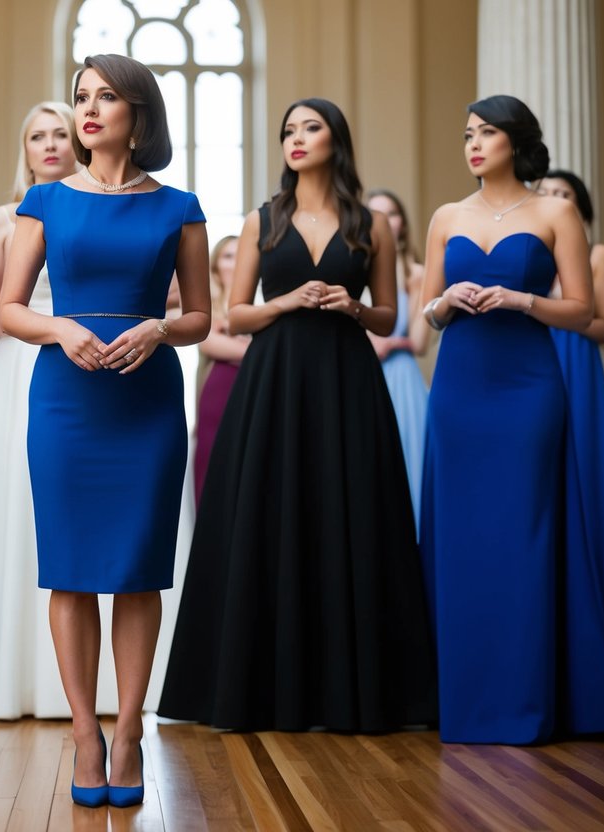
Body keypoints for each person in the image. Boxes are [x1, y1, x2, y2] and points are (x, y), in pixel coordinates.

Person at [158, 98, 436, 734]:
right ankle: (255, 690)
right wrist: (284, 301)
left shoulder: (372, 224)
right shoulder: (263, 220)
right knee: (269, 513)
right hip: (274, 381)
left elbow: (391, 317)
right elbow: (237, 315)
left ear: (336, 139)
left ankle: (358, 691)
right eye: (288, 130)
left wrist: (352, 307)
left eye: (310, 128)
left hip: (347, 380)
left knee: (353, 516)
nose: (296, 139)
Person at [0, 54, 209, 808]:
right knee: (70, 568)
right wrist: (59, 330)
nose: (88, 109)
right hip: (65, 399)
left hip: (146, 399)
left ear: (137, 113)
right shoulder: (45, 199)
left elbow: (199, 318)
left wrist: (158, 328)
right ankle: (85, 732)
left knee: (136, 571)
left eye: (105, 97)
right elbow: (7, 308)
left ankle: (129, 732)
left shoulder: (179, 204)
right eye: (80, 96)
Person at [419, 94, 604, 744]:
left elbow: (582, 312)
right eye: (467, 133)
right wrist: (446, 301)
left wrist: (524, 299)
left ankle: (525, 703)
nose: (473, 144)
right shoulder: (446, 215)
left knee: (524, 535)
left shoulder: (554, 211)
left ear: (515, 141)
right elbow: (427, 319)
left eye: (487, 133)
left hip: (527, 387)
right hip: (459, 388)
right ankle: (466, 704)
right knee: (462, 540)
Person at [0, 101, 118, 719]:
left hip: (105, 361)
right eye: (38, 136)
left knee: (99, 513)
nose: (50, 144)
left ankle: (114, 687)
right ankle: (22, 679)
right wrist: (45, 333)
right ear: (24, 148)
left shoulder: (105, 206)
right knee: (23, 514)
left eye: (60, 132)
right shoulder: (5, 217)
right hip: (24, 365)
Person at [536, 169, 604, 731]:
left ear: (580, 209)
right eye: (544, 195)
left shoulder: (596, 255)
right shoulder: (525, 257)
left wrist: (551, 305)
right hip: (531, 367)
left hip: (577, 369)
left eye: (562, 196)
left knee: (586, 490)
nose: (551, 203)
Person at [365, 189, 429, 526]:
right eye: (374, 213)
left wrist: (389, 343)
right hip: (360, 373)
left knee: (409, 464)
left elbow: (420, 342)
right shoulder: (351, 268)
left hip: (401, 378)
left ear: (402, 223)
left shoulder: (417, 274)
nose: (383, 221)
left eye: (390, 213)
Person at [192, 235, 247, 504]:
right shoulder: (207, 306)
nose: (236, 261)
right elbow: (209, 343)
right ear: (215, 267)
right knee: (214, 473)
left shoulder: (263, 303)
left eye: (242, 254)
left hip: (256, 391)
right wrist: (261, 350)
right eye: (228, 256)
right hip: (219, 393)